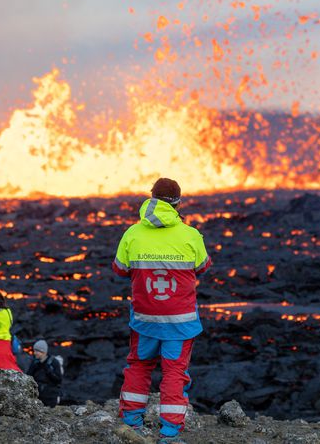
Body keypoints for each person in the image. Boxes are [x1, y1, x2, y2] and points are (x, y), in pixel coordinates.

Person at [112, 178, 212, 443]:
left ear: (151, 199)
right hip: (180, 324)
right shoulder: (190, 235)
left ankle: (132, 424)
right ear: (178, 203)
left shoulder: (132, 233)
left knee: (139, 367)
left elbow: (119, 268)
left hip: (145, 321)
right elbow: (203, 266)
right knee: (174, 374)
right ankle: (169, 434)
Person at [26, 340, 62, 407]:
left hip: (50, 397)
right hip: (38, 396)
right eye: (34, 351)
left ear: (43, 352)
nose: (35, 353)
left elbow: (58, 380)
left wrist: (49, 371)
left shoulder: (54, 362)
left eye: (37, 351)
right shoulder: (35, 362)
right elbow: (28, 377)